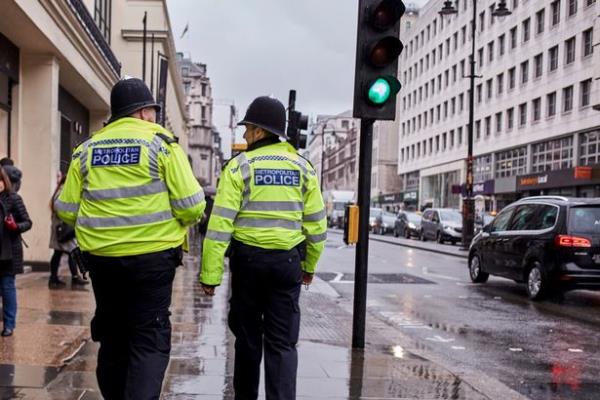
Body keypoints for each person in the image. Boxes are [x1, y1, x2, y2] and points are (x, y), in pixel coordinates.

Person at [55, 77, 205, 399]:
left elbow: (65, 209)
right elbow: (193, 206)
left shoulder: (87, 149)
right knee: (148, 339)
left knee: (113, 337)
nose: (153, 117)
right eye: (151, 111)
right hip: (153, 260)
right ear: (141, 113)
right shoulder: (161, 144)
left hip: (103, 261)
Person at [200, 96, 327, 400]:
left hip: (248, 264)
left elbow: (219, 228)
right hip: (287, 264)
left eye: (247, 129)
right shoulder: (303, 167)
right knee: (282, 343)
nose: (244, 135)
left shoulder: (239, 167)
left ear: (258, 132)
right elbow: (317, 227)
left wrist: (210, 276)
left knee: (247, 340)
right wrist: (309, 267)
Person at [0, 167, 32, 337]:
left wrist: (15, 226)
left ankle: (9, 325)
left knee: (7, 288)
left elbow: (27, 222)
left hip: (8, 253)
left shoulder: (13, 199)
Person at [49, 172, 89, 286]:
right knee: (71, 251)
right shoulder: (62, 191)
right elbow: (59, 208)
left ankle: (55, 278)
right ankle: (70, 278)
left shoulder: (61, 190)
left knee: (60, 253)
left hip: (62, 228)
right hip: (63, 228)